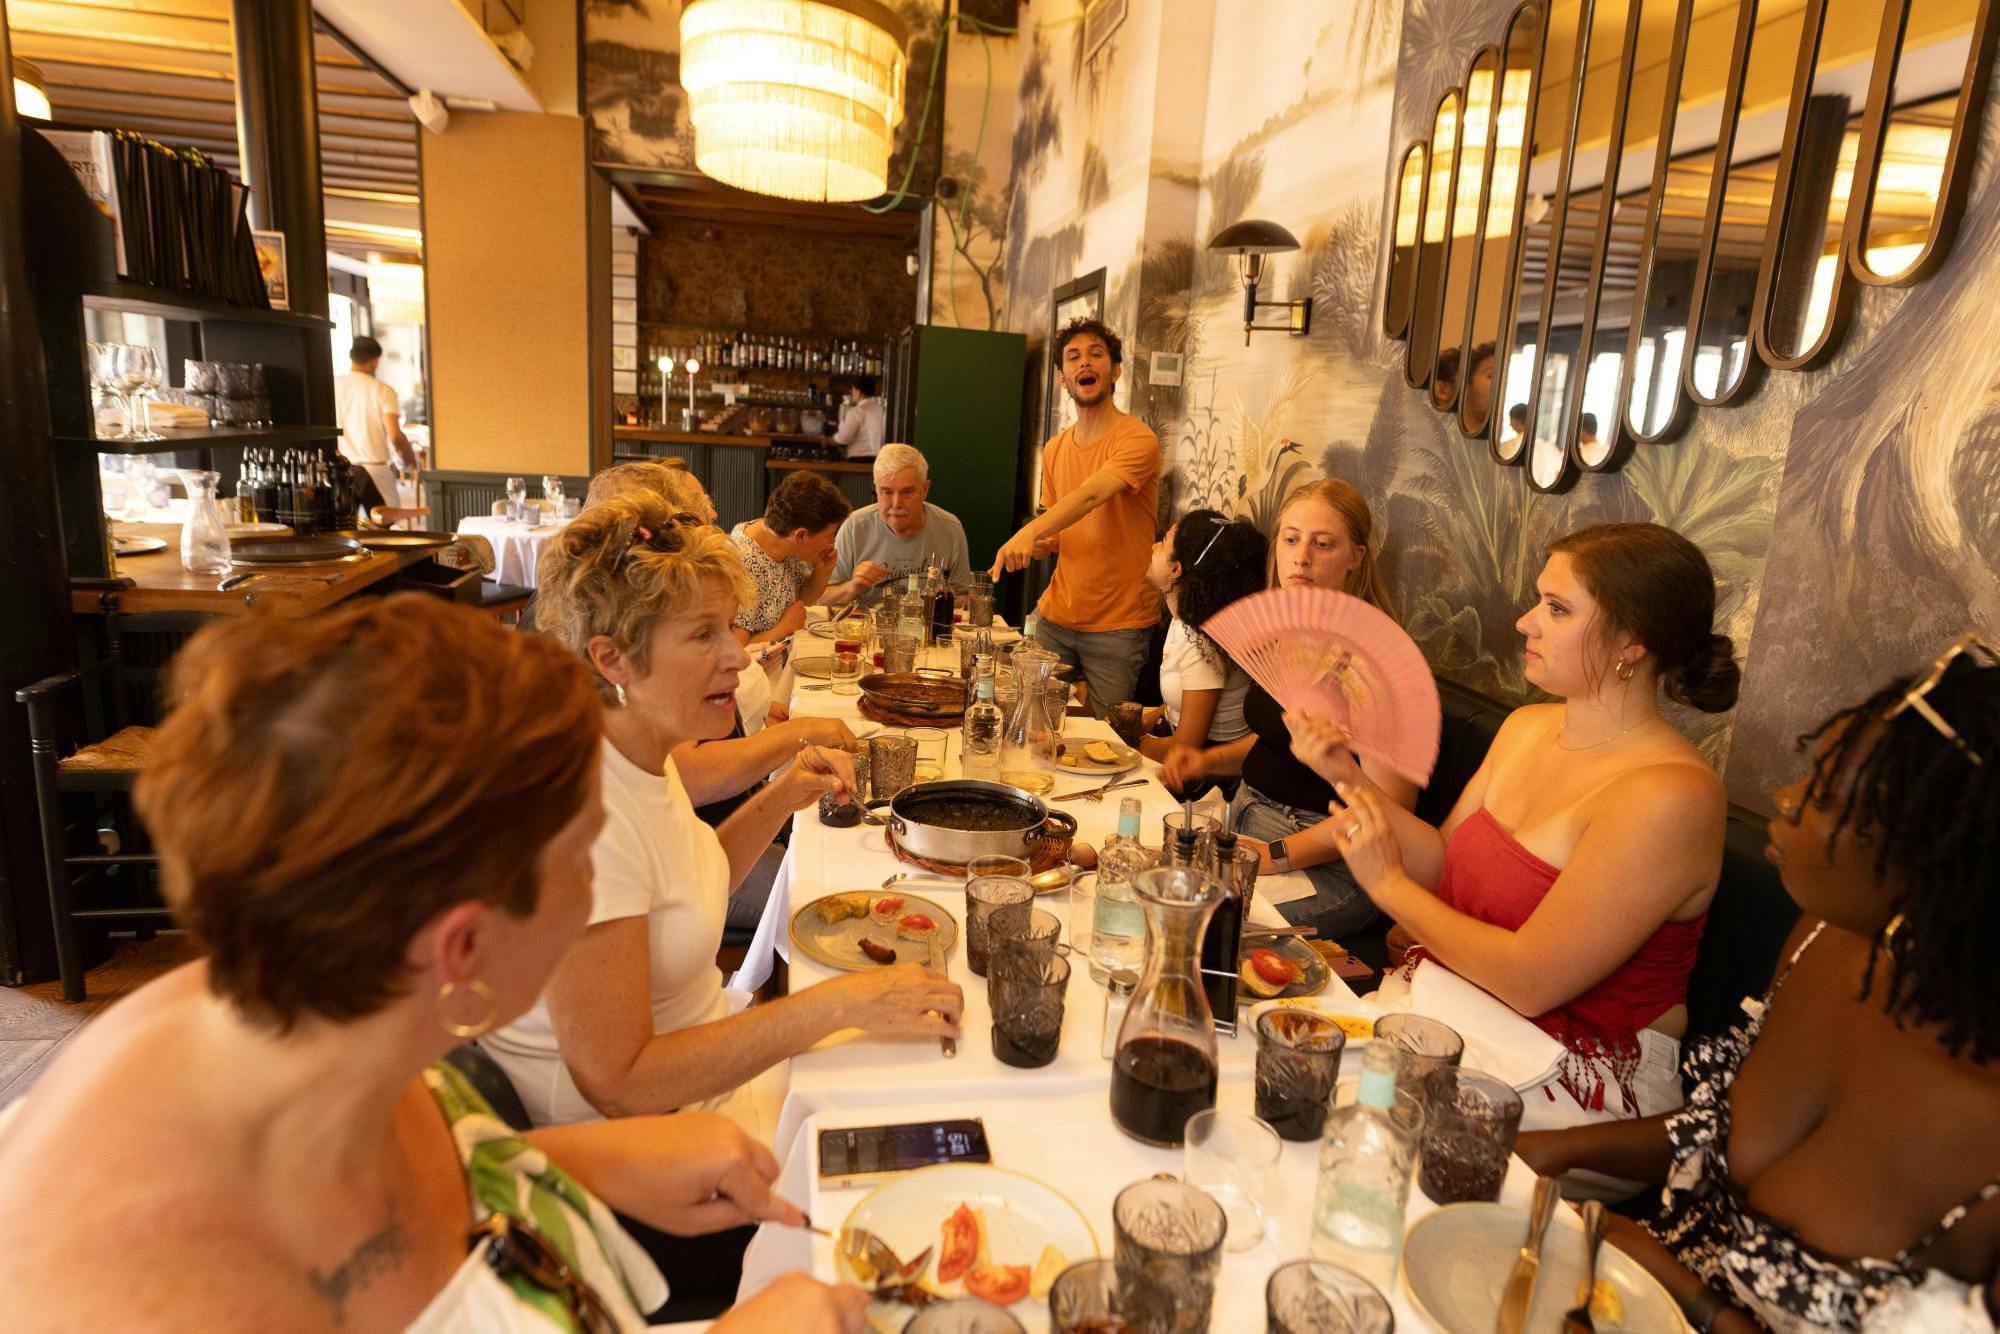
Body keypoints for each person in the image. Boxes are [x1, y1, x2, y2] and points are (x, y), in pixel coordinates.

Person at [0, 596, 868, 1332]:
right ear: (463, 946)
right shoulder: (151, 1276)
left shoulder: (308, 1000)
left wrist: (580, 1160)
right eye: (582, 857)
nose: (599, 882)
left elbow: (385, 1202)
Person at [1516, 636, 2000, 1332]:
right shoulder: (1823, 938)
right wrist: (1550, 1150)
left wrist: (1689, 1295)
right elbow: (1723, 1128)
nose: (1786, 798)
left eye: (1825, 797)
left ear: (1930, 860)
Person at [484, 495, 962, 1140]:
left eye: (730, 627)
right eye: (703, 634)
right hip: (633, 1144)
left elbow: (692, 884)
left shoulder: (639, 752)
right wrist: (833, 1005)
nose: (738, 655)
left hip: (695, 1082)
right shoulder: (582, 818)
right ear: (612, 658)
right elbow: (620, 1082)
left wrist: (783, 794)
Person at [1291, 522, 1737, 1138]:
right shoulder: (1527, 727)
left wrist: (1388, 888)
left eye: (1557, 608)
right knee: (1287, 1067)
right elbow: (1443, 864)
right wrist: (1345, 773)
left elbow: (1529, 983)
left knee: (1339, 1124)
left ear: (1631, 642)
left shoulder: (1671, 796)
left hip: (1579, 1075)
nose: (1526, 622)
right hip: (1456, 1009)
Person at [1162, 479, 1419, 937]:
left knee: (1198, 928)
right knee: (1141, 881)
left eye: (1323, 544)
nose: (1302, 557)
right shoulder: (1290, 633)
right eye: (1291, 539)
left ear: (1356, 556)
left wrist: (1273, 855)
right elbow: (1281, 742)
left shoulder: (1380, 665)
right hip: (1244, 819)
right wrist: (1206, 760)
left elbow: (1385, 815)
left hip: (1330, 862)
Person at [990, 317, 1161, 714]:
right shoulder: (1054, 448)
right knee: (1022, 712)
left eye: (1096, 354)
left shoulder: (1138, 439)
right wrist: (1044, 541)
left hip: (1120, 622)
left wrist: (1028, 532)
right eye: (1073, 357)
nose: (1085, 362)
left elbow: (1090, 496)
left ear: (1115, 371)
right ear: (1063, 378)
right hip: (1056, 614)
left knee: (1107, 736)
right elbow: (1064, 524)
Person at [1138, 509, 1267, 799]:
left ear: (1176, 570)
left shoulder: (1200, 640)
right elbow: (1183, 698)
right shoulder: (1186, 618)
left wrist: (1128, 742)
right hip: (1187, 756)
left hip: (1209, 779)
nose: (1154, 546)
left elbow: (1186, 747)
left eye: (1163, 542)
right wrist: (1149, 718)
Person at [827, 443, 971, 607]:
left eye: (907, 492)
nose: (896, 503)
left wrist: (949, 599)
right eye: (887, 492)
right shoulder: (854, 527)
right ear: (876, 489)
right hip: (867, 622)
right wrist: (852, 587)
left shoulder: (950, 528)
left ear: (925, 490)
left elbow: (964, 596)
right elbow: (820, 598)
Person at [730, 471, 851, 645]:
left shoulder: (785, 541)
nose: (832, 542)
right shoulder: (743, 563)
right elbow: (736, 648)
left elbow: (803, 599)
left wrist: (822, 572)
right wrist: (783, 629)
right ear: (801, 536)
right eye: (829, 536)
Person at [334, 335, 416, 514]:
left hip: (342, 469)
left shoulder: (332, 386)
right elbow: (395, 435)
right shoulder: (383, 391)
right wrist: (409, 456)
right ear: (375, 361)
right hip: (374, 469)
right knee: (387, 524)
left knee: (348, 524)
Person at [830, 374, 885, 460]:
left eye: (853, 390)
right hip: (880, 459)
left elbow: (844, 438)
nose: (852, 393)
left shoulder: (856, 412)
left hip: (858, 459)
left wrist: (830, 440)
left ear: (858, 392)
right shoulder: (882, 410)